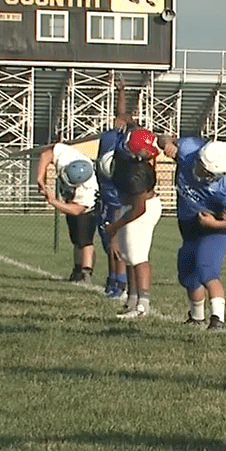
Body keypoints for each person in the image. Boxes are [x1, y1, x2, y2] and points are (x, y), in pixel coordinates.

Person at [160, 134, 226, 330]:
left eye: (206, 171)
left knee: (207, 271)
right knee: (187, 275)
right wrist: (166, 144)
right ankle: (196, 317)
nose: (199, 170)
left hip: (212, 230)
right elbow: (163, 138)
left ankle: (218, 319)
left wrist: (215, 224)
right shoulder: (189, 148)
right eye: (200, 164)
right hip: (188, 225)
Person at [103, 126, 164, 319]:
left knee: (138, 257)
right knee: (128, 256)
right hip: (134, 208)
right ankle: (132, 299)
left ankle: (142, 305)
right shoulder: (131, 163)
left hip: (140, 211)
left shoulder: (136, 174)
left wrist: (115, 226)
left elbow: (139, 209)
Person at [34, 142, 99, 283]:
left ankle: (86, 272)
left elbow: (77, 210)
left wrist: (54, 202)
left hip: (84, 208)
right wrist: (41, 179)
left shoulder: (88, 190)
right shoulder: (68, 157)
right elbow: (47, 153)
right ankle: (77, 269)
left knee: (85, 240)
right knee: (75, 239)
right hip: (69, 199)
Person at [95, 74, 133, 300]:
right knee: (108, 242)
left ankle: (120, 284)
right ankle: (112, 279)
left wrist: (122, 94)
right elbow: (119, 113)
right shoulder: (109, 137)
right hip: (106, 196)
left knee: (115, 244)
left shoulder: (126, 143)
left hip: (118, 198)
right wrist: (120, 91)